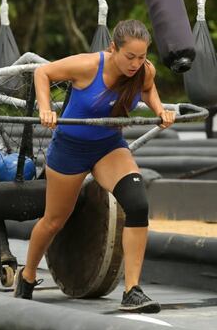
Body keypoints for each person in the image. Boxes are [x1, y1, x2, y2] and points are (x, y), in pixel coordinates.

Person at [14, 19, 176, 313]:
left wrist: (160, 109)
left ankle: (133, 291)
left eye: (141, 58)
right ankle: (26, 276)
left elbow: (148, 88)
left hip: (108, 147)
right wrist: (45, 108)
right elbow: (43, 72)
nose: (136, 64)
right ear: (113, 48)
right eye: (130, 57)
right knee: (54, 221)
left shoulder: (143, 71)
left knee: (137, 204)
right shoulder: (88, 66)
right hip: (70, 150)